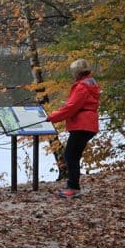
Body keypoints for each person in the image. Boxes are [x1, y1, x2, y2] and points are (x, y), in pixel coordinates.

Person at [46, 59, 100, 198]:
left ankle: (73, 188)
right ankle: (73, 186)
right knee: (72, 155)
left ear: (77, 72)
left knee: (70, 155)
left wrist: (51, 117)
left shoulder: (82, 87)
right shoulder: (91, 83)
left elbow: (71, 107)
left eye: (73, 72)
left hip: (83, 124)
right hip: (89, 124)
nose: (72, 74)